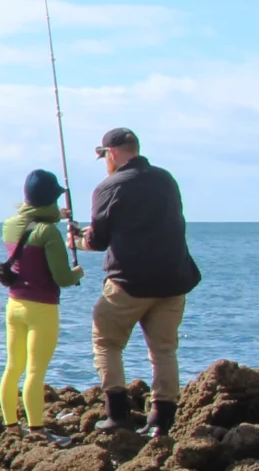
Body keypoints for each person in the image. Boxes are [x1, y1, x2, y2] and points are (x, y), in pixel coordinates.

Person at [74, 126, 201, 439]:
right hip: (173, 279)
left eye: (104, 155)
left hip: (129, 283)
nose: (105, 161)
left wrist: (75, 241)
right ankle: (161, 420)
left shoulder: (109, 186)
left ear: (113, 153)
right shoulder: (166, 179)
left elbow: (98, 241)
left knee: (106, 341)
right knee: (164, 349)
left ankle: (117, 415)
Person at [0, 169, 82, 435]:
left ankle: (11, 425)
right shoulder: (50, 233)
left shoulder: (10, 224)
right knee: (35, 371)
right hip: (41, 309)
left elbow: (32, 222)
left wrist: (57, 217)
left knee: (13, 366)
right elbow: (63, 278)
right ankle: (36, 429)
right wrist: (77, 273)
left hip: (14, 305)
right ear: (51, 200)